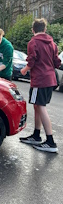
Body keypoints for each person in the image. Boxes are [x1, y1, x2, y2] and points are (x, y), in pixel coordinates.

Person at [19, 18, 61, 153]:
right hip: (50, 79)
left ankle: (50, 141)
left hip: (40, 80)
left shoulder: (33, 42)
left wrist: (25, 69)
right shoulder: (53, 44)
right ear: (45, 29)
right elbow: (57, 62)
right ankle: (36, 136)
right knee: (37, 105)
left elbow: (31, 60)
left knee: (40, 107)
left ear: (33, 30)